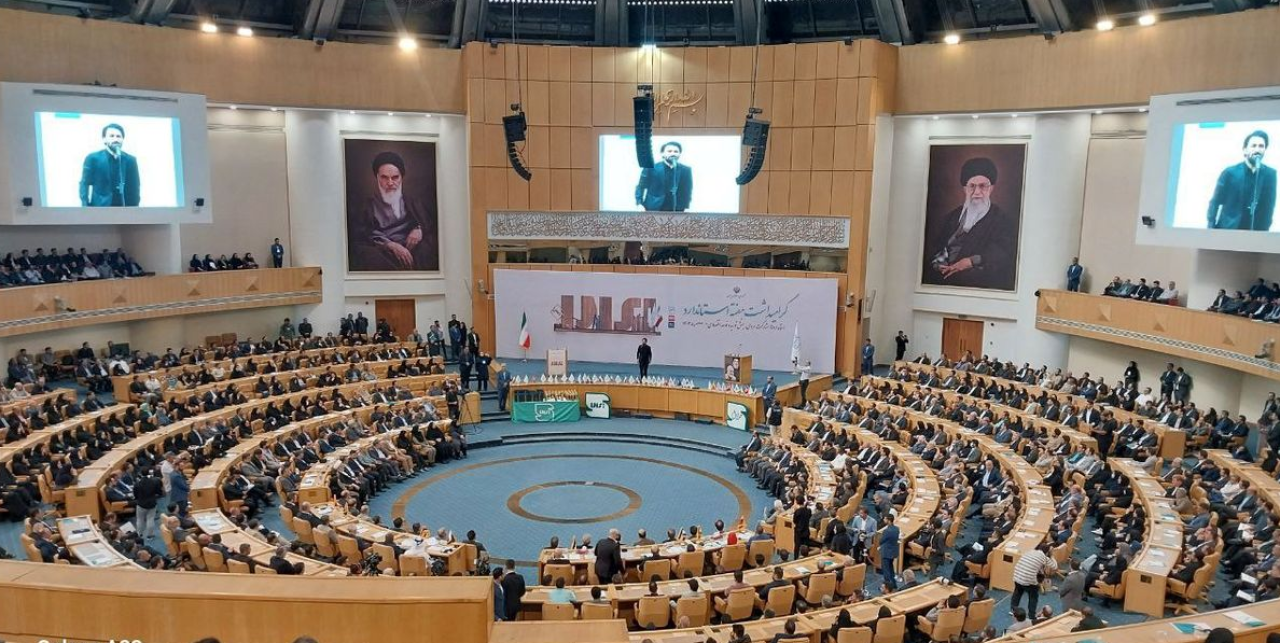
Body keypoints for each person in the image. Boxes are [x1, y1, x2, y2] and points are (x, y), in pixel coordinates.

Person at [925, 156, 1019, 290]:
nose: (977, 192)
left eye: (983, 186)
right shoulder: (951, 217)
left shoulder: (1002, 220)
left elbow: (1002, 253)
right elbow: (935, 247)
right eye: (972, 186)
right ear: (965, 189)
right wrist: (938, 263)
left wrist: (970, 261)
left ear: (991, 188)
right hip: (942, 280)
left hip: (975, 283)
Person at [348, 151, 439, 271]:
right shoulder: (366, 205)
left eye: (395, 177)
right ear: (377, 178)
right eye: (384, 177)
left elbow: (429, 225)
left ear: (401, 177)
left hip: (412, 248)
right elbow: (363, 233)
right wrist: (390, 245)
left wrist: (419, 229)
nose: (390, 183)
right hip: (383, 250)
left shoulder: (413, 201)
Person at [1207, 130, 1275, 231]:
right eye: (1254, 146)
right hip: (1229, 230)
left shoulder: (1270, 174)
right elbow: (1215, 202)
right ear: (1245, 150)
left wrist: (1264, 232)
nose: (1257, 149)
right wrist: (1211, 228)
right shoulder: (1230, 172)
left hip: (1255, 233)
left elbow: (1269, 207)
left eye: (1261, 146)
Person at [79, 123, 140, 207]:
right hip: (100, 208)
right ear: (104, 139)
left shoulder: (130, 160)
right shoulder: (93, 158)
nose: (116, 139)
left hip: (124, 209)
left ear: (123, 139)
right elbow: (84, 184)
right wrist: (85, 206)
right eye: (112, 136)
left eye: (118, 136)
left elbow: (135, 187)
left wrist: (135, 209)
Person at [635, 141, 693, 212]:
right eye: (669, 151)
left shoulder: (686, 170)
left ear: (679, 154)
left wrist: (686, 206)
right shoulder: (651, 168)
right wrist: (639, 203)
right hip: (654, 207)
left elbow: (687, 190)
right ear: (662, 154)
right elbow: (641, 186)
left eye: (676, 151)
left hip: (677, 209)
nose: (673, 154)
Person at [1010, 543, 1056, 615]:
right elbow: (1054, 566)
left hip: (1017, 575)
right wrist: (1052, 555)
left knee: (1017, 592)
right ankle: (1031, 615)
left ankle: (1013, 610)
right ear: (1047, 552)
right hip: (1028, 579)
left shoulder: (1029, 551)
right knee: (1033, 596)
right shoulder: (1044, 557)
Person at [879, 514, 900, 591]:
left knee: (886, 571)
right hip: (893, 552)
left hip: (886, 553)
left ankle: (887, 588)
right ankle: (894, 584)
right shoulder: (897, 529)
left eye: (885, 519)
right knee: (891, 569)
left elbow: (881, 541)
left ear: (889, 520)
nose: (884, 520)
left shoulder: (886, 531)